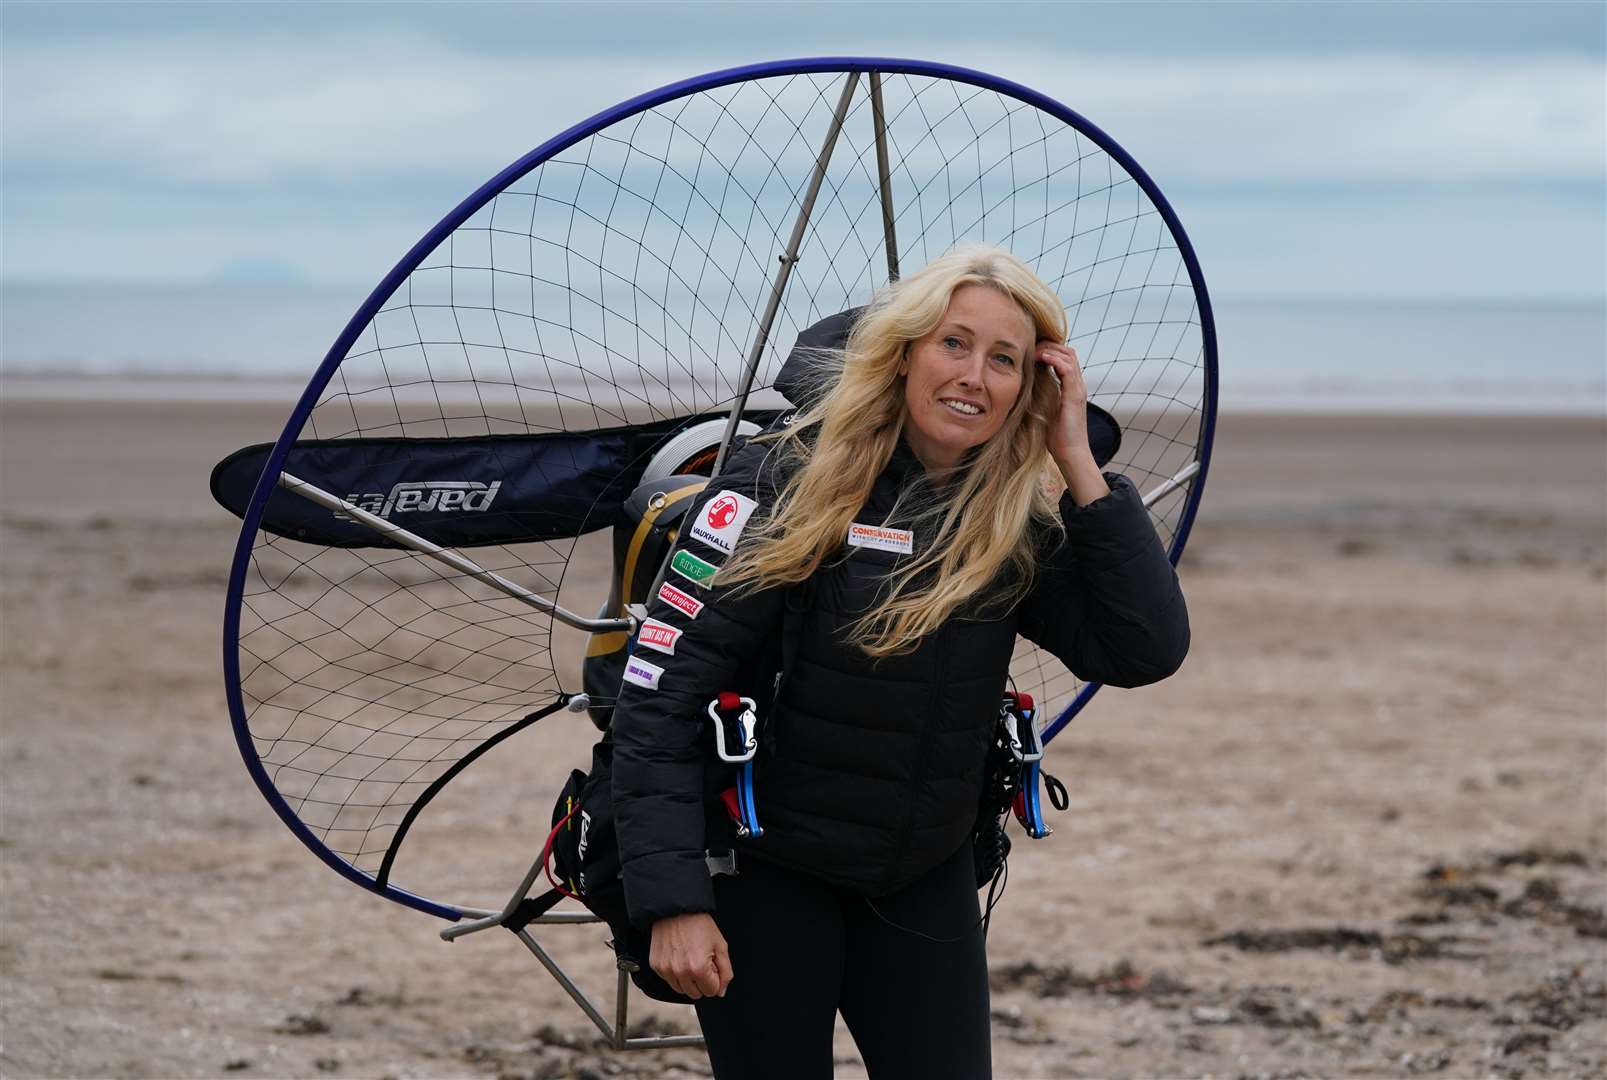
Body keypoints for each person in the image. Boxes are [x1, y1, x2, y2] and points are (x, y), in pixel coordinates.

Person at [610, 244, 1190, 1078]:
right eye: (953, 344)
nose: (974, 377)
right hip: (763, 873)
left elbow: (1144, 649)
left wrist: (1075, 459)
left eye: (1005, 361)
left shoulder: (1011, 518)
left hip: (921, 875)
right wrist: (673, 904)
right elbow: (658, 695)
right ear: (903, 351)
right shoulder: (776, 481)